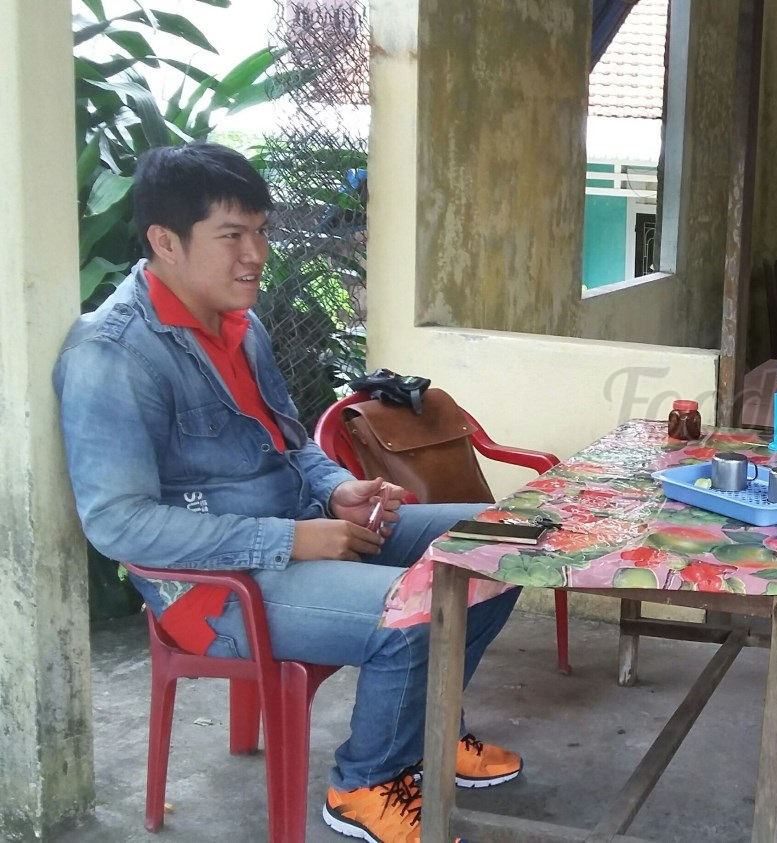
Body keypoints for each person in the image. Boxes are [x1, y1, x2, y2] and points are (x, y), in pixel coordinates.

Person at [54, 143, 519, 843]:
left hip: (296, 534)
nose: (255, 255)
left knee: (500, 541)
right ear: (165, 242)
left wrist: (337, 492)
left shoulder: (242, 326)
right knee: (422, 602)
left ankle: (427, 732)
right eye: (231, 236)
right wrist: (290, 539)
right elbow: (119, 524)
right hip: (210, 591)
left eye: (261, 231)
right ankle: (364, 785)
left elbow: (293, 443)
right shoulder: (111, 355)